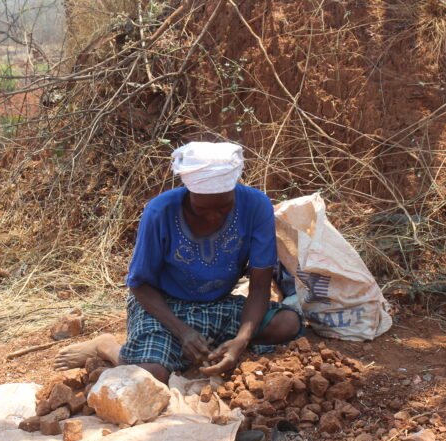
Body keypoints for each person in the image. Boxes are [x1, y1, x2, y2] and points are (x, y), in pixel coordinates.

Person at [55, 141, 303, 383]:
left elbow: (259, 286)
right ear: (189, 192)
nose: (213, 216)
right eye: (202, 210)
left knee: (287, 323)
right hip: (163, 307)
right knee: (151, 375)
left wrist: (241, 339)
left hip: (216, 304)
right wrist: (182, 331)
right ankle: (108, 347)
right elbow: (139, 285)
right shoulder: (160, 212)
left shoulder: (256, 206)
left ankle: (197, 348)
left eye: (223, 209)